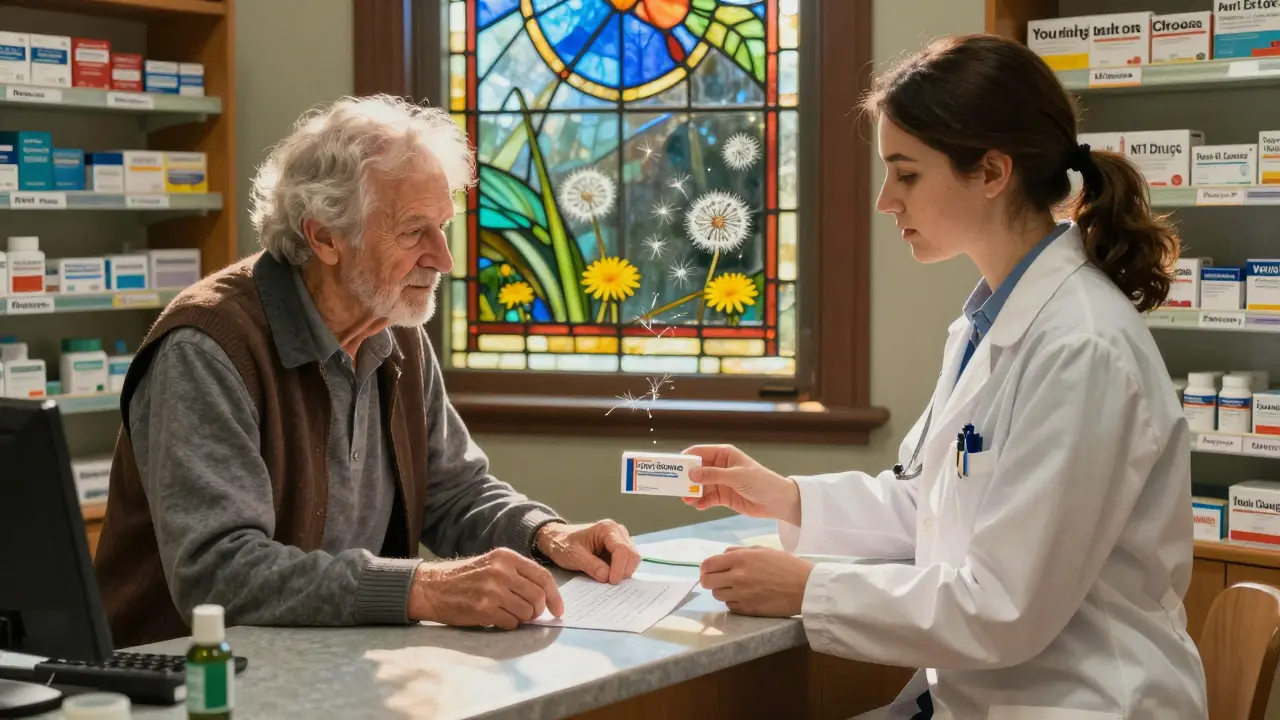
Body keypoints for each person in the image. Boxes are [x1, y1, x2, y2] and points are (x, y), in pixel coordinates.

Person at [686, 34, 1207, 719]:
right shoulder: (987, 324)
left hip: (1086, 702)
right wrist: (784, 498)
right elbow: (929, 504)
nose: (885, 202)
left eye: (905, 174)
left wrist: (806, 588)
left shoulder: (1081, 348)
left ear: (992, 172)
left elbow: (1002, 606)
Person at [94, 95, 641, 648]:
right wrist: (423, 587)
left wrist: (546, 534)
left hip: (328, 665)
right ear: (324, 237)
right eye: (411, 232)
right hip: (188, 682)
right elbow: (218, 573)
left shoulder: (394, 327)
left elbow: (453, 492)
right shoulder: (207, 348)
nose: (443, 259)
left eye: (443, 226)